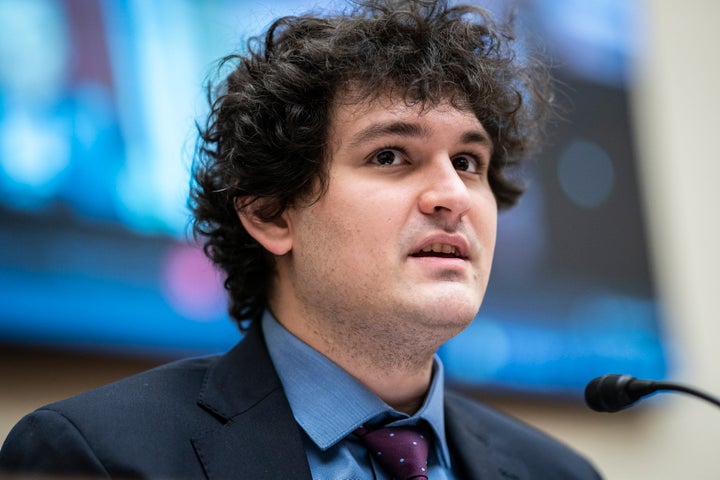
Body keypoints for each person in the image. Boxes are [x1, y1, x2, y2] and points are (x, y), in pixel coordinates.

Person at [0, 0, 602, 478]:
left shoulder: (559, 472)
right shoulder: (98, 456)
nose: (453, 195)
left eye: (470, 162)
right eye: (391, 155)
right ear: (270, 212)